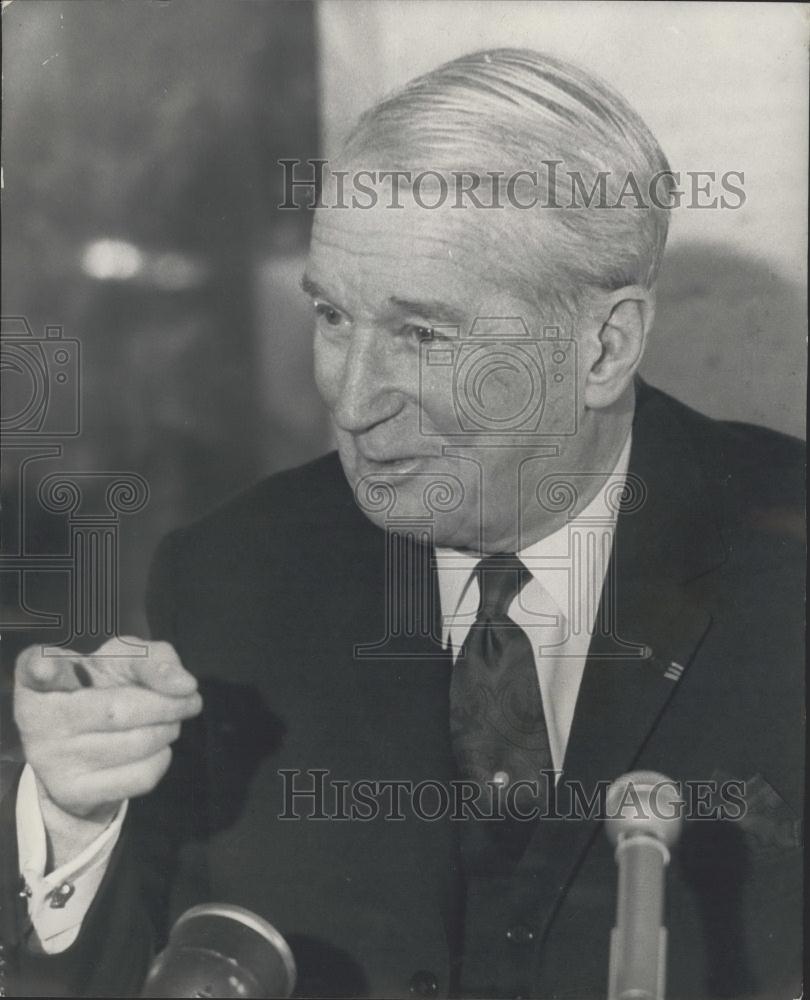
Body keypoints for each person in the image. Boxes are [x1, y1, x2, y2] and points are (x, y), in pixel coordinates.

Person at [3, 48, 803, 999]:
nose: (351, 399)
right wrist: (78, 811)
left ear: (604, 345)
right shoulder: (230, 576)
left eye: (423, 335)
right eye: (333, 318)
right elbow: (131, 967)